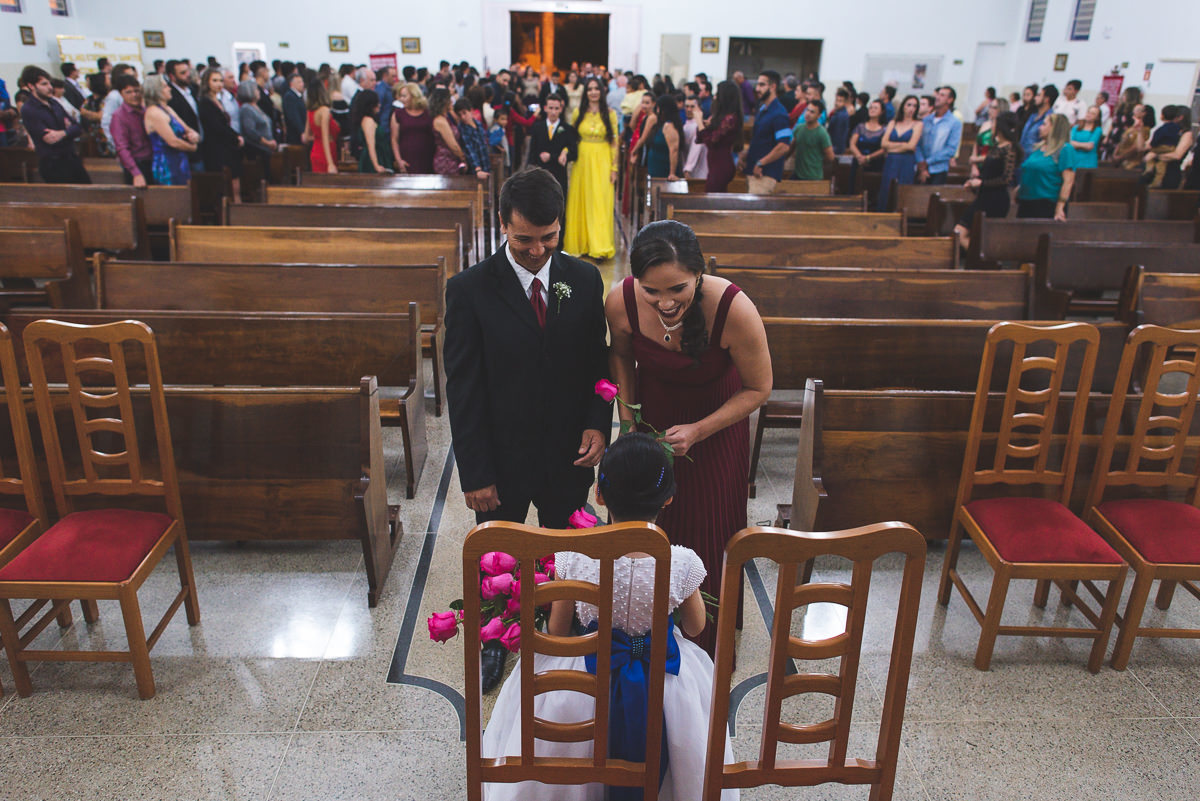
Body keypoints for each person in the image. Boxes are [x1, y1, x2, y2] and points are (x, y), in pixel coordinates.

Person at [480, 432, 739, 801]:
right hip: (664, 681)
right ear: (668, 497)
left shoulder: (575, 557)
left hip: (585, 679)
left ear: (599, 495)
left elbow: (556, 630)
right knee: (693, 738)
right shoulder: (680, 561)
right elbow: (697, 627)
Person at [445, 167, 611, 692]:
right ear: (502, 225)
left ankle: (564, 636)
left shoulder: (582, 279)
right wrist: (476, 472)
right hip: (502, 459)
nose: (538, 250)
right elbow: (464, 389)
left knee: (569, 549)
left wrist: (597, 424)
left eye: (548, 237)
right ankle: (496, 638)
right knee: (500, 558)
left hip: (568, 453)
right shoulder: (469, 290)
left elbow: (595, 363)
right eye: (524, 239)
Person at [605, 220, 771, 656]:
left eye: (677, 289)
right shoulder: (619, 302)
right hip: (653, 419)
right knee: (644, 519)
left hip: (715, 427)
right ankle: (636, 627)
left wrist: (699, 431)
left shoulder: (733, 307)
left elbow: (759, 388)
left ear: (699, 274)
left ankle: (704, 639)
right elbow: (621, 359)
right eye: (651, 291)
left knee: (706, 525)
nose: (664, 302)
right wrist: (629, 425)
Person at [564, 77, 619, 260]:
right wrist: (565, 151)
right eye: (590, 89)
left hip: (603, 159)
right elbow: (571, 138)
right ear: (585, 92)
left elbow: (614, 142)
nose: (593, 92)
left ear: (601, 91)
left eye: (596, 89)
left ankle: (600, 246)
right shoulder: (578, 112)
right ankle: (582, 244)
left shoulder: (609, 113)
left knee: (600, 201)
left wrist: (614, 168)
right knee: (582, 199)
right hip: (582, 161)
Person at [954, 111, 1021, 252]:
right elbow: (988, 174)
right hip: (984, 196)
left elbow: (1006, 178)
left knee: (962, 233)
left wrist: (981, 183)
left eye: (994, 123)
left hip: (996, 200)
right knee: (961, 233)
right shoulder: (997, 146)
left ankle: (981, 261)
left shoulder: (1010, 149)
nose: (992, 126)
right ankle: (980, 260)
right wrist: (974, 183)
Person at [18, 66, 90, 183]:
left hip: (71, 158)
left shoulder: (54, 103)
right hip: (53, 163)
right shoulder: (29, 109)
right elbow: (49, 139)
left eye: (50, 84)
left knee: (88, 193)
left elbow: (77, 127)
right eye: (44, 84)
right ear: (31, 86)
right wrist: (67, 131)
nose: (50, 88)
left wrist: (63, 133)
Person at [740, 71, 792, 194]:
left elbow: (783, 146)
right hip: (753, 171)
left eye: (762, 85)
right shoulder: (763, 110)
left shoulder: (779, 113)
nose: (757, 89)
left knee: (754, 211)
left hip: (764, 174)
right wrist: (747, 154)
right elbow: (762, 140)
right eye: (757, 85)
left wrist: (761, 162)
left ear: (773, 87)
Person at [1016, 113, 1076, 219]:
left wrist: (1060, 207)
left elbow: (1068, 181)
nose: (1040, 127)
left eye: (1044, 124)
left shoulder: (1065, 149)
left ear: (1054, 128)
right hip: (1026, 201)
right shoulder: (1038, 149)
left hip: (1046, 203)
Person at [142, 75, 198, 186]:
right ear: (156, 91)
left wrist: (194, 135)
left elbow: (187, 129)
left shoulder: (167, 109)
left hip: (180, 160)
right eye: (165, 86)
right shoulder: (154, 112)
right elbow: (172, 141)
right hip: (166, 164)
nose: (169, 88)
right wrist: (192, 148)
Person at [197, 67, 243, 199]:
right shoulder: (205, 103)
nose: (219, 84)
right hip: (217, 149)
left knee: (235, 187)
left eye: (221, 81)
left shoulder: (218, 100)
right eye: (215, 80)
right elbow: (217, 127)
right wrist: (235, 138)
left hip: (227, 147)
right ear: (207, 82)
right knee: (227, 188)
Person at [693, 80, 743, 193]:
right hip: (715, 163)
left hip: (722, 165)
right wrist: (705, 124)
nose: (714, 97)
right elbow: (701, 138)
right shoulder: (721, 116)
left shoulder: (730, 119)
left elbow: (711, 141)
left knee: (711, 198)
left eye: (717, 94)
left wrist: (700, 123)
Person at [876, 95, 922, 211]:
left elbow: (912, 146)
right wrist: (903, 146)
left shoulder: (918, 124)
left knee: (901, 192)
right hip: (891, 162)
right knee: (887, 189)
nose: (911, 108)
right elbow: (883, 143)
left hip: (906, 162)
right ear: (903, 106)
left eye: (915, 106)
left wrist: (892, 148)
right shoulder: (893, 123)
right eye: (909, 105)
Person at [527, 93, 576, 198]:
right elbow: (532, 153)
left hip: (559, 176)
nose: (553, 112)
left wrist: (555, 156)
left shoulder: (567, 129)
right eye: (551, 108)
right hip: (541, 175)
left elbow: (574, 153)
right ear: (545, 108)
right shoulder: (537, 128)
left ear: (561, 109)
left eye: (556, 108)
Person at [110, 74, 153, 187]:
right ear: (121, 94)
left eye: (136, 91)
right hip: (138, 163)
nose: (134, 95)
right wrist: (136, 173)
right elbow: (122, 147)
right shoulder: (119, 116)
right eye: (128, 92)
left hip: (153, 160)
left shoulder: (146, 109)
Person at [915, 86, 963, 185]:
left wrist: (927, 162)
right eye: (937, 94)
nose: (937, 97)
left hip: (938, 169)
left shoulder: (954, 122)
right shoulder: (926, 120)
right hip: (920, 168)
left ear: (949, 100)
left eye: (942, 95)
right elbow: (918, 143)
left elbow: (950, 149)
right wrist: (921, 163)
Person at [1142, 107, 1193, 189]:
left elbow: (1177, 155)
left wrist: (1156, 155)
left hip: (1170, 171)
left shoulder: (1186, 134)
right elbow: (1148, 145)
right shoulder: (1166, 130)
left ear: (1180, 118)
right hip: (1154, 168)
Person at [166, 60, 203, 172]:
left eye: (187, 72)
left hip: (200, 141)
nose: (188, 75)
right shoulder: (170, 95)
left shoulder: (192, 89)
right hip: (187, 145)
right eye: (183, 73)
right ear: (172, 76)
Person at [391, 82, 435, 174]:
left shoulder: (428, 113)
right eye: (400, 96)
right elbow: (394, 139)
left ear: (413, 95)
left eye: (404, 96)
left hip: (428, 157)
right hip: (407, 158)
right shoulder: (398, 114)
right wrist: (398, 160)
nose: (401, 99)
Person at [238, 79, 277, 176]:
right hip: (258, 150)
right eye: (256, 90)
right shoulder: (246, 108)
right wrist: (267, 143)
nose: (258, 92)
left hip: (267, 149)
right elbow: (250, 131)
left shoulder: (256, 106)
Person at [641, 94, 683, 180]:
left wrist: (672, 173)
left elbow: (674, 150)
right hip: (655, 167)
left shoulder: (669, 126)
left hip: (663, 169)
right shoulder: (661, 124)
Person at [303, 76, 339, 174]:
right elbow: (325, 137)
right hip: (326, 152)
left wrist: (315, 136)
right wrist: (330, 163)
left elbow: (306, 137)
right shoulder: (324, 111)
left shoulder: (310, 111)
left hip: (315, 150)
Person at [791, 99, 834, 180]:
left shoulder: (822, 133)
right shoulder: (799, 128)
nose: (808, 114)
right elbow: (791, 148)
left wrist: (816, 160)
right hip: (797, 175)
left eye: (812, 112)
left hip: (813, 177)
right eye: (807, 110)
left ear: (819, 116)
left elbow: (830, 156)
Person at [428, 87, 466, 175]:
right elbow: (453, 146)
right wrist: (463, 158)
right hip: (446, 161)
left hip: (452, 159)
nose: (452, 102)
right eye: (449, 99)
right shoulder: (440, 121)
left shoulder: (447, 117)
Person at [849, 98, 887, 183]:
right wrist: (860, 157)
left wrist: (868, 158)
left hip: (875, 163)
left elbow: (884, 149)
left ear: (882, 111)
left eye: (875, 108)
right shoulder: (860, 126)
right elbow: (852, 144)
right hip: (858, 162)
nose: (872, 110)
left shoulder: (884, 129)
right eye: (871, 107)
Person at [351, 91, 390, 173]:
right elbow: (370, 145)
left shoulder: (370, 120)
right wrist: (376, 165)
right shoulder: (368, 121)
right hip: (373, 159)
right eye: (377, 103)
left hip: (379, 156)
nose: (379, 105)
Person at [454, 97, 490, 180]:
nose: (463, 117)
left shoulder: (478, 124)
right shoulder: (462, 129)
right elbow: (469, 150)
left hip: (484, 161)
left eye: (464, 113)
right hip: (475, 169)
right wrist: (477, 169)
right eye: (459, 115)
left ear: (471, 111)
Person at [1020, 84, 1056, 166]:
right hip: (1022, 159)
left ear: (1046, 99)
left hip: (1034, 160)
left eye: (1039, 95)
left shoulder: (1050, 118)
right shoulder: (1033, 115)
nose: (1035, 98)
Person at [1112, 103, 1154, 170]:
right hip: (1120, 161)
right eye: (1134, 110)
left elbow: (1136, 146)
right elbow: (1122, 141)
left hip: (1132, 162)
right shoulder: (1130, 128)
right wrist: (1115, 153)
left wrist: (1121, 156)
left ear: (1144, 113)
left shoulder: (1145, 129)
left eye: (1137, 110)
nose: (1133, 112)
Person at [970, 96, 1008, 162]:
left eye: (994, 108)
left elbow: (1000, 151)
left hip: (992, 162)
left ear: (1001, 109)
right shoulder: (985, 124)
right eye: (989, 107)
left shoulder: (1004, 128)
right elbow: (976, 144)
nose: (990, 110)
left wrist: (977, 159)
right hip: (977, 161)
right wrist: (974, 162)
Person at [1067, 105, 1103, 170]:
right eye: (1088, 112)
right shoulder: (1076, 128)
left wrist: (1076, 144)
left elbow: (1090, 146)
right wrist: (1084, 145)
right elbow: (1069, 143)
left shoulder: (1098, 130)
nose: (1089, 115)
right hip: (1074, 160)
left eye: (1093, 114)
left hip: (1089, 162)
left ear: (1097, 117)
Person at [681, 95, 707, 180]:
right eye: (687, 106)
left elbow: (696, 146)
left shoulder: (698, 126)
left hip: (697, 171)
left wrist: (688, 169)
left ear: (699, 108)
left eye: (692, 107)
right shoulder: (686, 125)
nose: (689, 109)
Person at [282, 72, 306, 146]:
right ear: (291, 84)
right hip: (295, 135)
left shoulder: (297, 96)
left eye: (302, 82)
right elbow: (294, 116)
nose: (302, 84)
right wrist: (302, 131)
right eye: (299, 82)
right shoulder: (290, 97)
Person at [826, 87, 852, 154]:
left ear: (845, 102)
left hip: (835, 148)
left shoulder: (842, 115)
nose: (837, 103)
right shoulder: (838, 112)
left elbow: (839, 136)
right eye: (836, 100)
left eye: (840, 101)